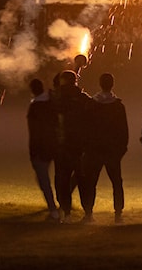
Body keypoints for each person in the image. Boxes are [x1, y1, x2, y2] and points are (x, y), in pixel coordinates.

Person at [78, 72, 128, 224]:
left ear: (100, 84)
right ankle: (118, 214)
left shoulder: (92, 104)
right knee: (116, 182)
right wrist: (121, 148)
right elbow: (123, 129)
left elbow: (85, 127)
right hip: (112, 149)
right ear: (112, 84)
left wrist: (86, 146)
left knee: (91, 181)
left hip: (94, 149)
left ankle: (88, 213)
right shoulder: (118, 105)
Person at [53, 69, 91, 223]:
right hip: (80, 146)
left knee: (62, 180)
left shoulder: (57, 98)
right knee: (83, 180)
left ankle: (67, 214)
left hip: (63, 145)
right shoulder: (83, 98)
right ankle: (88, 213)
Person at [27, 78, 59, 222]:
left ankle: (53, 209)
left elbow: (34, 131)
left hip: (40, 147)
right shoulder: (51, 103)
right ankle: (57, 206)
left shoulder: (35, 107)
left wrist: (34, 150)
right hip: (54, 145)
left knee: (43, 178)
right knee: (44, 178)